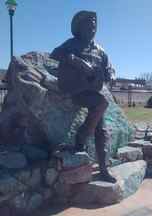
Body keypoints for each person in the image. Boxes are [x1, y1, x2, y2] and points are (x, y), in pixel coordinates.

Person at [50, 11, 116, 183]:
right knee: (102, 103)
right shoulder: (72, 44)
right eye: (89, 23)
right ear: (79, 27)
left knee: (101, 128)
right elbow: (55, 54)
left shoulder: (100, 50)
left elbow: (109, 69)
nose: (93, 26)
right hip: (74, 90)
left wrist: (111, 75)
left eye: (94, 23)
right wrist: (75, 61)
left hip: (93, 91)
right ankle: (80, 138)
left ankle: (103, 169)